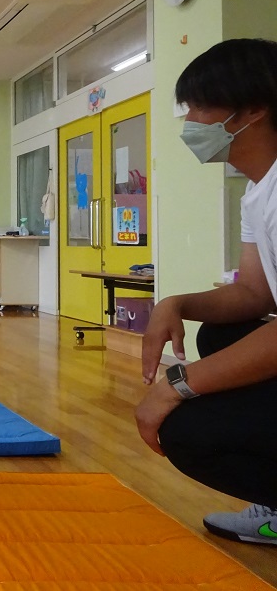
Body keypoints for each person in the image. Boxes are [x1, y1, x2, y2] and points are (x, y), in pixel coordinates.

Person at [136, 38, 277, 545]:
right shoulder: (258, 190)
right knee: (218, 333)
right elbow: (255, 293)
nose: (190, 122)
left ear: (254, 110)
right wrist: (176, 303)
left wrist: (174, 386)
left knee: (185, 432)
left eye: (199, 107)